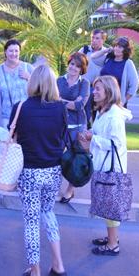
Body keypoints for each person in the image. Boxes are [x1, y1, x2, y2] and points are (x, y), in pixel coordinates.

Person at [9, 65, 67, 276]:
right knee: (48, 212)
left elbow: (12, 136)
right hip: (53, 170)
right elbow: (62, 137)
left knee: (31, 221)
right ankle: (58, 263)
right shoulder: (61, 108)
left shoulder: (20, 107)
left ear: (32, 82)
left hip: (29, 171)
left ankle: (35, 272)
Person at [80, 75, 132, 256]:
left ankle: (112, 245)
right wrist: (91, 133)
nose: (94, 92)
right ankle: (112, 237)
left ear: (108, 92)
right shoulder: (103, 112)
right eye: (94, 88)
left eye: (98, 89)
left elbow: (115, 144)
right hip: (103, 165)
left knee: (110, 206)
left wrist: (93, 138)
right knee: (106, 203)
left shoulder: (114, 116)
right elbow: (101, 134)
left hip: (112, 169)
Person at [57, 52, 90, 204]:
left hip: (77, 126)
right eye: (72, 64)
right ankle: (53, 187)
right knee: (56, 157)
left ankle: (70, 190)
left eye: (77, 66)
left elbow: (79, 106)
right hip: (59, 124)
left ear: (82, 69)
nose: (73, 68)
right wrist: (69, 102)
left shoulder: (85, 84)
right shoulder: (59, 81)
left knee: (75, 160)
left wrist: (61, 100)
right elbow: (52, 100)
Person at [0, 39, 34, 128]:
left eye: (16, 51)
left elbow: (41, 88)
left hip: (26, 117)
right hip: (5, 119)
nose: (14, 54)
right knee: (6, 142)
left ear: (20, 52)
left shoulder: (28, 68)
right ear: (5, 52)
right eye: (11, 51)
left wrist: (29, 78)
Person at [90, 36, 139, 108]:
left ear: (125, 50)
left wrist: (123, 100)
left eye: (120, 47)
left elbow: (134, 85)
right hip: (101, 101)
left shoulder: (128, 63)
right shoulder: (108, 59)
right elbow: (93, 57)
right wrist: (106, 50)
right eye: (115, 46)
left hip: (116, 103)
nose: (116, 48)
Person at [79, 29, 107, 127]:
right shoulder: (85, 50)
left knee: (97, 111)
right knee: (84, 109)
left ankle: (95, 131)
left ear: (103, 40)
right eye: (92, 38)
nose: (94, 40)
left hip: (97, 88)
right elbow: (76, 62)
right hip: (83, 85)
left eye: (97, 38)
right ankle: (85, 129)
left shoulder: (106, 54)